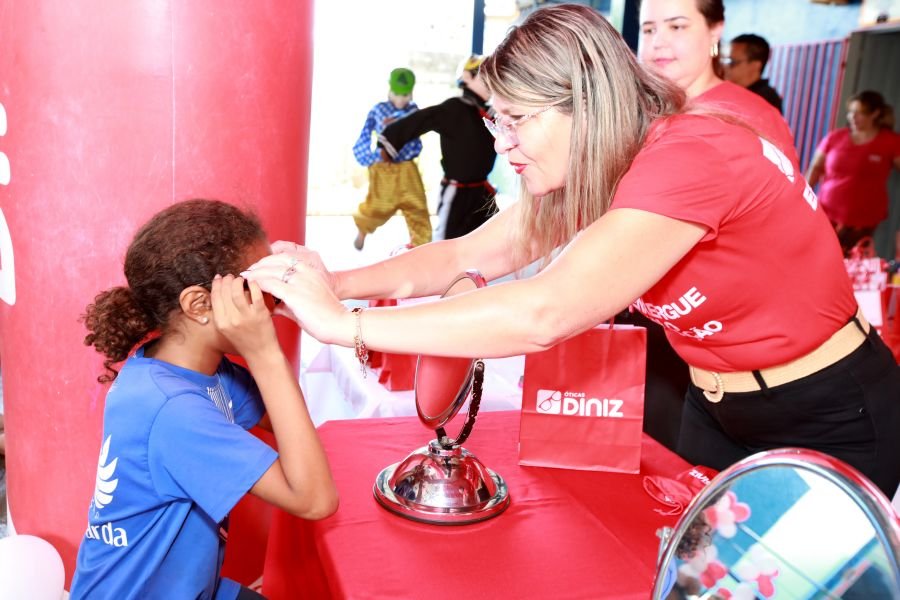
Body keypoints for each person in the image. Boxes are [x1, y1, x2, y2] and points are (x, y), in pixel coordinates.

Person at [245, 4, 900, 498]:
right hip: (714, 405)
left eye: (517, 119)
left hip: (828, 410)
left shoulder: (690, 155)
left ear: (586, 106)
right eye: (495, 119)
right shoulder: (598, 168)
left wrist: (345, 325)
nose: (502, 143)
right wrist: (334, 280)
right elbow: (462, 256)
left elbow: (545, 312)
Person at [70, 199, 338, 600]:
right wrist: (264, 351)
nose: (271, 300)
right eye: (259, 288)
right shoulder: (173, 409)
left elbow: (292, 427)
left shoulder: (197, 369)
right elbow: (315, 499)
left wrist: (285, 306)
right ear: (199, 305)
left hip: (193, 587)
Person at [638, 0, 795, 160]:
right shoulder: (636, 107)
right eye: (649, 30)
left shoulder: (755, 115)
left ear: (714, 31)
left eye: (677, 27)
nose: (657, 42)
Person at [378, 55, 498, 241]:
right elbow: (421, 119)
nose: (492, 81)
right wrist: (389, 141)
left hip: (482, 192)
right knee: (446, 241)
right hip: (457, 192)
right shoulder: (454, 108)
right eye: (486, 75)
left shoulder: (490, 113)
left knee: (492, 239)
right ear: (468, 77)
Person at [806, 90, 900, 255]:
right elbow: (815, 169)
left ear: (875, 114)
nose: (852, 117)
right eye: (851, 112)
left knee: (850, 261)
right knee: (817, 255)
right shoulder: (835, 137)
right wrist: (800, 197)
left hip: (864, 219)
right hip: (827, 211)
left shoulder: (890, 141)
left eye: (859, 113)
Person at [351, 67, 431, 251]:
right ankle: (362, 230)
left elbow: (417, 137)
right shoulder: (379, 110)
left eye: (406, 95)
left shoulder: (413, 110)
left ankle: (421, 245)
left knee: (417, 205)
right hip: (383, 167)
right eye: (397, 94)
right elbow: (365, 134)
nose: (401, 100)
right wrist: (369, 157)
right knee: (378, 206)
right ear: (389, 90)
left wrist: (415, 149)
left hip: (407, 168)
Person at [724, 34, 783, 113]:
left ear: (755, 65)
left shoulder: (763, 100)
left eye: (732, 62)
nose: (725, 67)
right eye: (725, 62)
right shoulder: (735, 91)